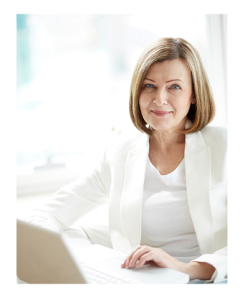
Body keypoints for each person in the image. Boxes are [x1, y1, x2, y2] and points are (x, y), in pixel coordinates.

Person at [25, 37, 227, 283]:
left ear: (194, 95)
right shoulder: (120, 153)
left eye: (174, 87)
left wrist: (182, 268)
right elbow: (48, 215)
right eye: (149, 86)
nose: (159, 99)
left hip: (205, 279)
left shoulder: (227, 147)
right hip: (142, 280)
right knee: (60, 237)